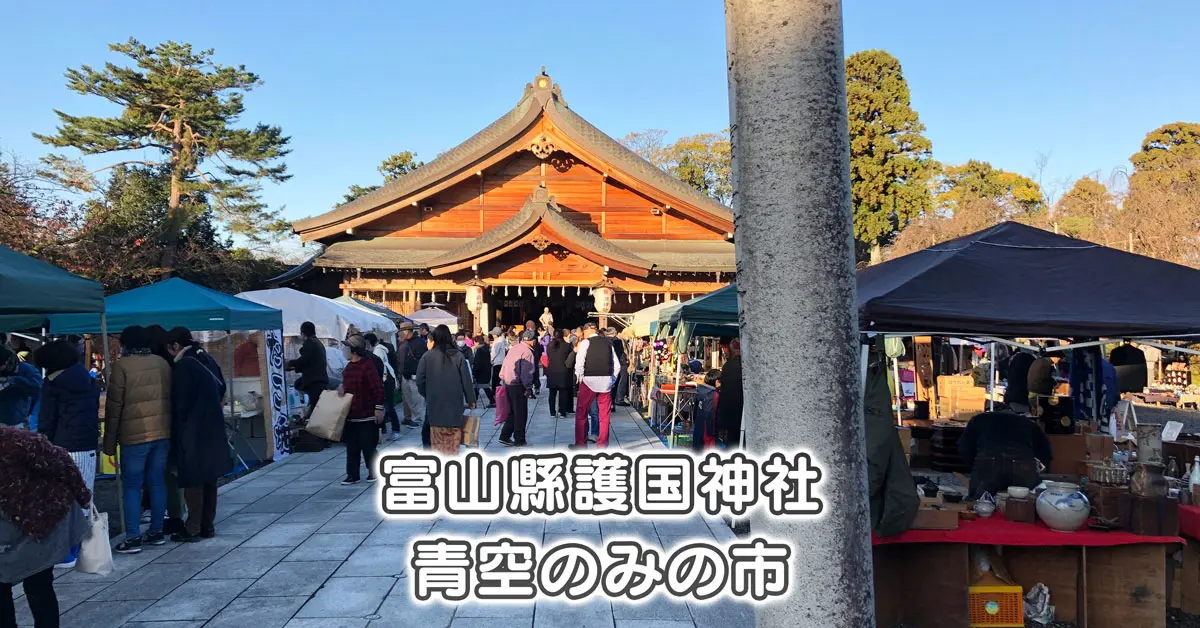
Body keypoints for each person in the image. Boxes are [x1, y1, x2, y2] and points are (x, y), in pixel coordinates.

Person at [1, 428, 91, 628]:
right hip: (7, 528)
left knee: (38, 584)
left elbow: (63, 463)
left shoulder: (20, 442)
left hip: (39, 522)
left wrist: (83, 496)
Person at [104, 326, 172, 554]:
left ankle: (133, 537)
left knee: (132, 485)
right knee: (157, 482)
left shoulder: (122, 366)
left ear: (125, 344)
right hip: (162, 432)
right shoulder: (162, 363)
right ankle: (157, 531)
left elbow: (114, 407)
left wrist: (109, 442)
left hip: (134, 435)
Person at [33, 340, 100, 569]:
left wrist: (43, 445)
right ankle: (80, 548)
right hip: (88, 445)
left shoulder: (53, 384)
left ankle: (65, 553)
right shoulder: (88, 380)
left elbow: (47, 419)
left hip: (62, 446)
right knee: (83, 497)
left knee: (59, 498)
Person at [165, 328, 233, 543]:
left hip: (193, 429)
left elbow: (180, 403)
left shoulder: (184, 366)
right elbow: (222, 387)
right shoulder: (206, 358)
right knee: (210, 477)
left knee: (194, 478)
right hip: (213, 425)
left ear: (175, 346)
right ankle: (207, 525)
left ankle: (192, 527)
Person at [958, 411, 1053, 500]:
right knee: (1025, 503)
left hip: (988, 464)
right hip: (1022, 466)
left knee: (979, 503)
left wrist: (975, 466)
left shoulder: (977, 420)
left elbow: (964, 447)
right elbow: (1045, 454)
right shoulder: (1029, 424)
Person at [417, 325, 476, 456]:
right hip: (454, 406)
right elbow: (467, 380)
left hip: (435, 407)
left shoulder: (427, 356)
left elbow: (419, 380)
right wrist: (471, 399)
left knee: (437, 443)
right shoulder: (458, 356)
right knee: (452, 444)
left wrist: (428, 393)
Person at [338, 335, 385, 484]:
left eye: (347, 347)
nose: (344, 350)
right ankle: (352, 475)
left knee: (368, 445)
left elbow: (378, 388)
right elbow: (347, 384)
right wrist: (342, 388)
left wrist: (378, 408)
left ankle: (374, 472)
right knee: (352, 446)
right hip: (351, 413)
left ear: (354, 350)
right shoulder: (348, 367)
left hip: (366, 412)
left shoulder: (367, 365)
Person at [572, 323, 620, 449]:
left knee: (582, 413)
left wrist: (580, 378)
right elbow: (617, 365)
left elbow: (579, 363)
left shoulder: (585, 343)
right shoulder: (609, 343)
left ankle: (581, 444)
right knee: (605, 415)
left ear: (586, 331)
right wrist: (611, 380)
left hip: (588, 381)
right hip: (606, 382)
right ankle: (602, 445)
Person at [498, 330, 537, 447]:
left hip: (508, 383)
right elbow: (526, 372)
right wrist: (528, 387)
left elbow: (505, 364)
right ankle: (519, 439)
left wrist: (503, 377)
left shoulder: (514, 348)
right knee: (520, 413)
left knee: (512, 412)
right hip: (518, 384)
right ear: (532, 340)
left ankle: (504, 436)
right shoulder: (527, 352)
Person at [288, 321, 329, 417]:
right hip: (320, 380)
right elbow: (309, 362)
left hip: (315, 382)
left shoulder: (310, 343)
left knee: (316, 410)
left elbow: (303, 360)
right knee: (316, 407)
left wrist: (289, 363)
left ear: (303, 333)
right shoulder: (318, 343)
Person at [364, 333, 400, 441]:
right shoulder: (379, 349)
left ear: (369, 343)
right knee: (383, 406)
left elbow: (380, 369)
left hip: (386, 381)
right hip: (386, 380)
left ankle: (395, 430)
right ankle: (383, 430)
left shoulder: (378, 351)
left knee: (388, 406)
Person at [0, 344, 42, 429]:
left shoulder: (27, 370)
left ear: (8, 361)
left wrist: (12, 380)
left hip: (16, 421)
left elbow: (38, 388)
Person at [397, 322, 427, 427]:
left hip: (415, 376)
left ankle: (417, 420)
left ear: (407, 331)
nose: (400, 333)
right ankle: (410, 418)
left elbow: (422, 360)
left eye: (402, 331)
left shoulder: (419, 343)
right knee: (407, 398)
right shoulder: (405, 343)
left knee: (417, 398)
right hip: (406, 375)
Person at [717, 339, 744, 448]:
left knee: (732, 437)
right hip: (741, 406)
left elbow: (723, 385)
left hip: (728, 407)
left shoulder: (727, 366)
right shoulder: (744, 365)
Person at [546, 329, 574, 419]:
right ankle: (562, 412)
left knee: (552, 393)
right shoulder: (567, 345)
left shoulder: (549, 346)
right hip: (563, 371)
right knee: (563, 392)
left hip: (551, 371)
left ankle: (552, 412)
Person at [692, 369, 721, 452]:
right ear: (716, 381)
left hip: (699, 426)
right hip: (708, 430)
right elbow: (712, 414)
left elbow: (695, 410)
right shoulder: (714, 394)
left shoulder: (700, 390)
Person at [471, 335, 496, 407]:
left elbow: (477, 363)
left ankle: (474, 402)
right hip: (486, 371)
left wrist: (474, 372)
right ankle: (491, 401)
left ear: (477, 342)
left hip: (480, 372)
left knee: (478, 386)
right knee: (481, 387)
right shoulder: (486, 349)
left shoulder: (479, 350)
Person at [490, 327, 509, 402]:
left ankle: (495, 394)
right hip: (502, 361)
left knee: (495, 380)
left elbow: (494, 352)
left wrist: (491, 359)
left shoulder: (498, 341)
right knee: (498, 379)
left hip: (497, 362)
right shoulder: (503, 341)